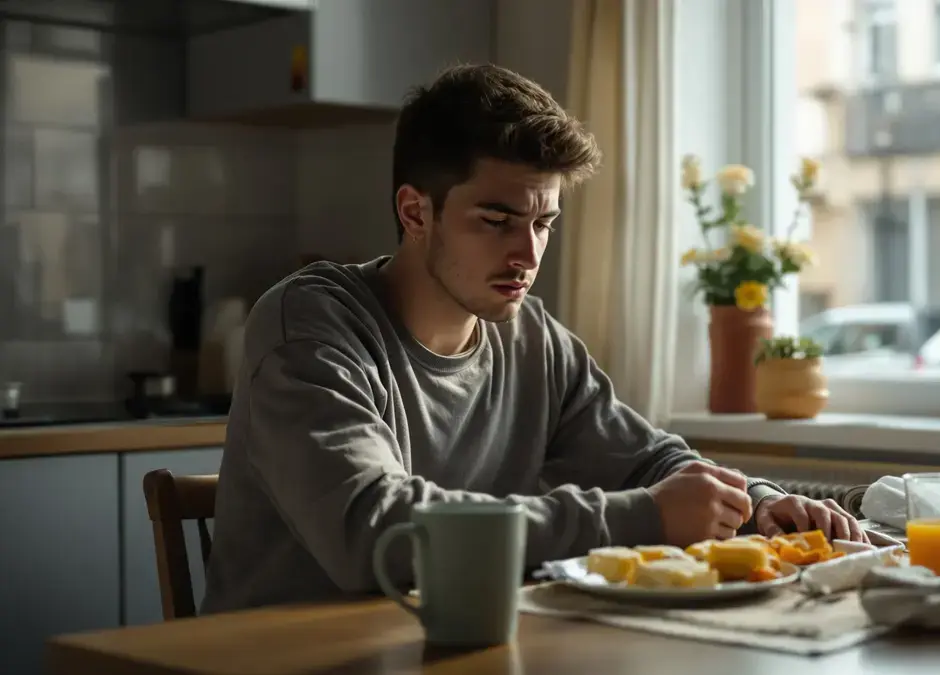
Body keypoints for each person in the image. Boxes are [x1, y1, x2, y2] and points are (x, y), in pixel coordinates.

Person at [201, 63, 865, 614]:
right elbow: (372, 533)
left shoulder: (532, 338)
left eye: (545, 222)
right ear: (415, 211)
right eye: (498, 219)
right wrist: (643, 518)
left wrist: (759, 504)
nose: (529, 252)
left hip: (449, 649)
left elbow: (648, 462)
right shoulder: (309, 324)